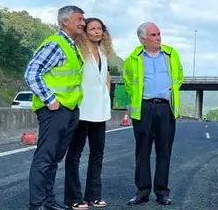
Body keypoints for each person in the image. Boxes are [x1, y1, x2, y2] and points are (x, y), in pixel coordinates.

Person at [25, 5, 86, 210]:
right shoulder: (56, 44)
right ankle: (38, 204)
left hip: (68, 109)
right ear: (64, 21)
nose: (83, 23)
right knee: (46, 157)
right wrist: (50, 100)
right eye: (79, 19)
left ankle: (48, 201)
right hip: (54, 110)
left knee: (54, 159)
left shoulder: (72, 46)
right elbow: (32, 73)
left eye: (83, 19)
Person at [123, 22, 184, 206]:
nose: (158, 38)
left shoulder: (171, 54)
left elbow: (179, 77)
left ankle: (162, 192)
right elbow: (128, 82)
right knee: (142, 151)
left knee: (164, 151)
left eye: (159, 34)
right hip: (144, 107)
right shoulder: (133, 58)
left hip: (165, 107)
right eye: (153, 35)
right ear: (143, 39)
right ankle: (142, 192)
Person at [64, 17, 118, 209]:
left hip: (100, 110)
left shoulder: (103, 52)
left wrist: (107, 90)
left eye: (100, 29)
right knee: (74, 154)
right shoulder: (78, 51)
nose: (97, 32)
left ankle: (94, 195)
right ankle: (73, 198)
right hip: (81, 109)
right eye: (92, 28)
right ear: (85, 32)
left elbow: (105, 76)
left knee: (97, 153)